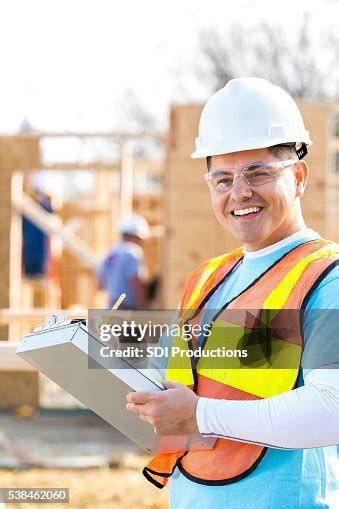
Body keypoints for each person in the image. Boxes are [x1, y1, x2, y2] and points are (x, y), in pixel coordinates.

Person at [126, 78, 339, 508]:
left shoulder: (326, 277)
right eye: (222, 179)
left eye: (257, 173)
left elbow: (332, 410)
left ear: (298, 176)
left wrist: (198, 414)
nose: (239, 192)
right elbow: (179, 389)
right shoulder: (205, 280)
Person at [97, 213, 150, 310]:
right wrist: (143, 304)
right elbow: (134, 280)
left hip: (112, 308)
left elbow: (100, 283)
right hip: (128, 311)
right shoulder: (133, 251)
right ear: (137, 236)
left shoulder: (110, 252)